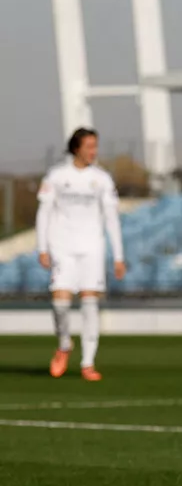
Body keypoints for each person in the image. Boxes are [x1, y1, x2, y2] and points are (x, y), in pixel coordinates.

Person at [36, 127, 124, 382]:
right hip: (62, 245)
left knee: (89, 302)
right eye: (89, 146)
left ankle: (88, 362)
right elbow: (44, 213)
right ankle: (64, 344)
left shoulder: (102, 179)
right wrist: (42, 248)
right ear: (76, 148)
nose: (93, 151)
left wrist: (118, 255)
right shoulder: (56, 175)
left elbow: (111, 218)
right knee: (60, 302)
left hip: (91, 248)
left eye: (95, 146)